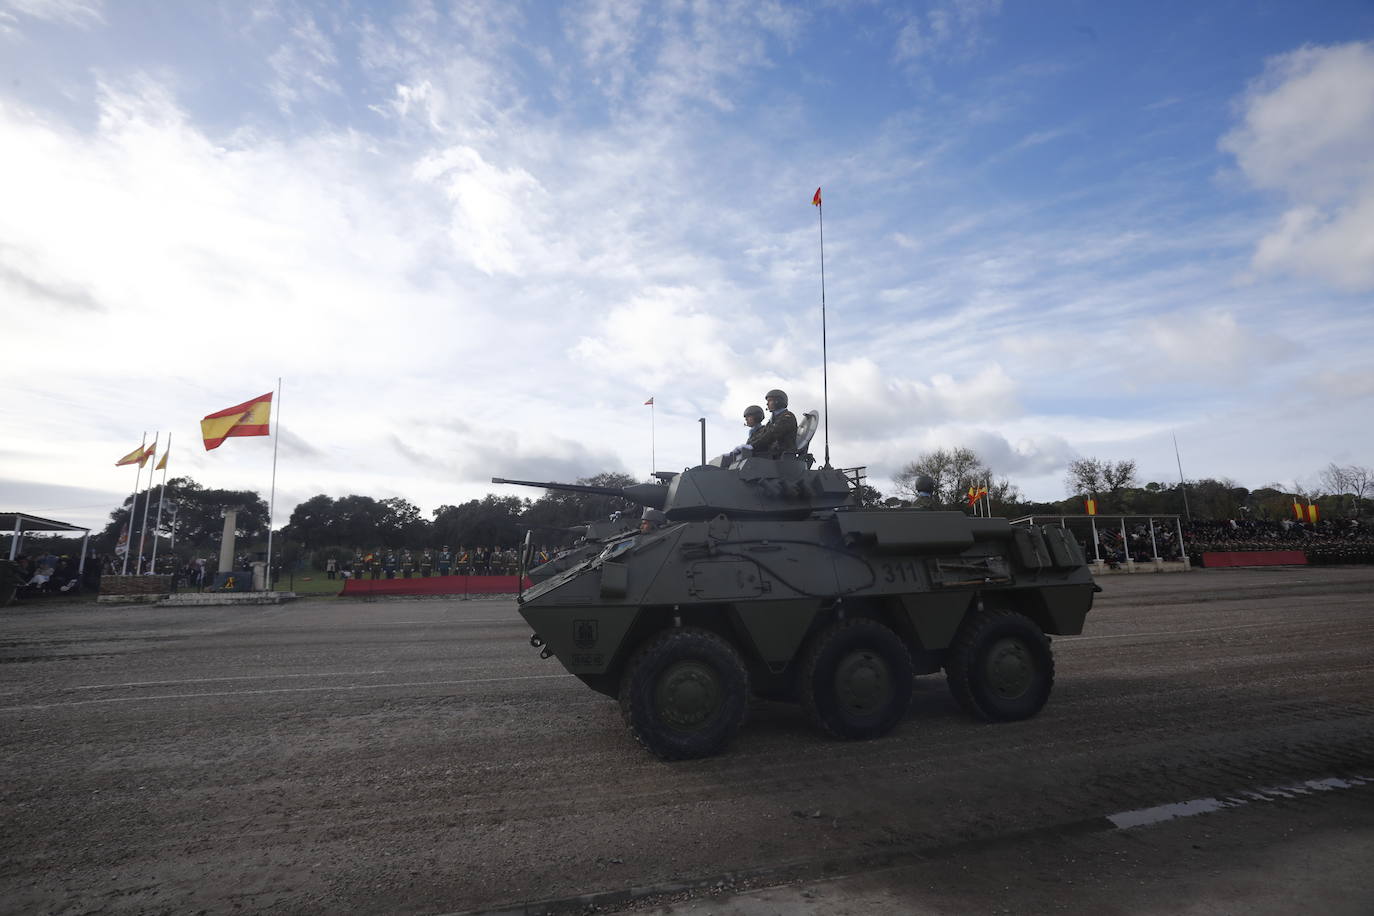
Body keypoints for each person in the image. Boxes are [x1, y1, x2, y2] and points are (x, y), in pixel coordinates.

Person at [748, 388, 798, 456]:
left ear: (778, 401)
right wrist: (749, 445)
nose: (767, 403)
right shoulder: (772, 420)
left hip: (783, 455)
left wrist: (752, 446)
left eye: (770, 400)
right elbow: (762, 435)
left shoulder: (787, 417)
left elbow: (771, 435)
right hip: (774, 455)